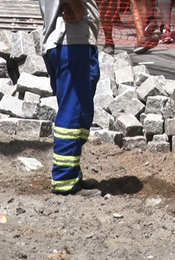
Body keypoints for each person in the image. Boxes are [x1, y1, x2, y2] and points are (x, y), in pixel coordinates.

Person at [37, 0, 102, 197]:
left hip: (61, 41)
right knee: (73, 114)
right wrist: (78, 6)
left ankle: (71, 174)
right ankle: (65, 180)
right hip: (72, 41)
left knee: (74, 112)